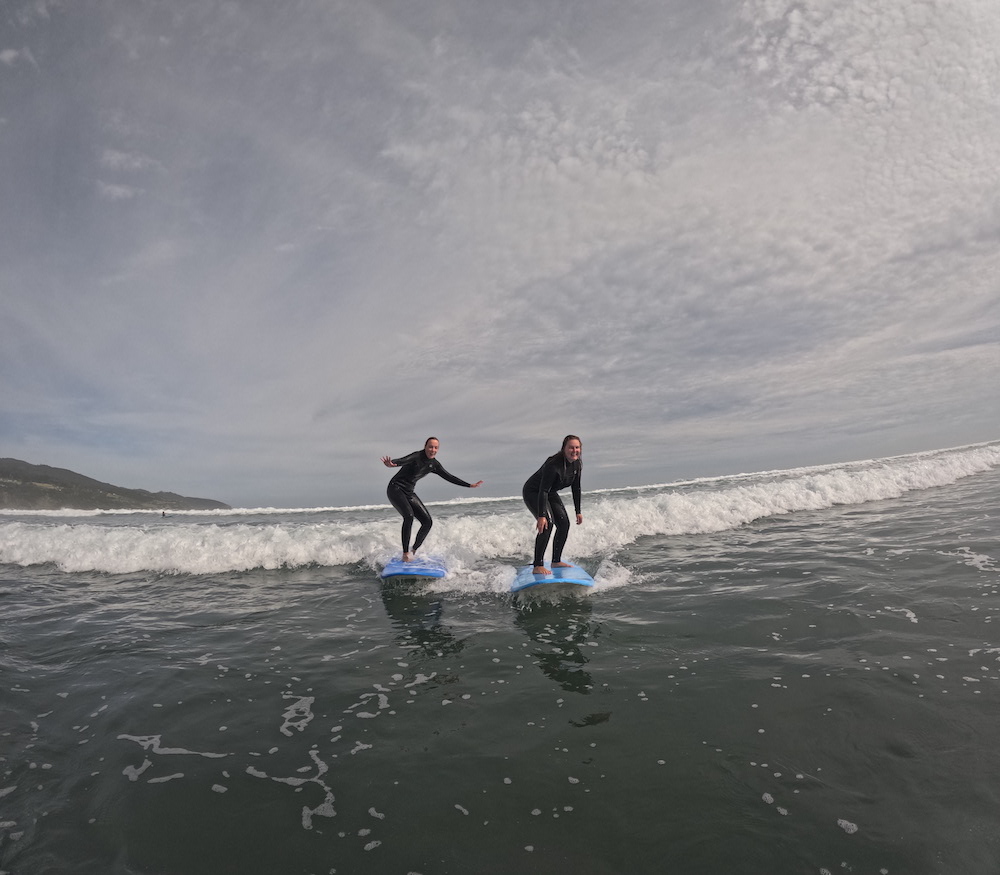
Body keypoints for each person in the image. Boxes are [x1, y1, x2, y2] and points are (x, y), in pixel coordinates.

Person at [381, 437, 483, 562]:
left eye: (436, 448)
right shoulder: (417, 456)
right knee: (409, 516)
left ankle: (413, 550)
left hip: (409, 492)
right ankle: (405, 553)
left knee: (427, 522)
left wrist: (469, 485)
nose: (433, 450)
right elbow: (403, 460)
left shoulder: (434, 465)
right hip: (395, 488)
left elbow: (449, 477)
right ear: (425, 447)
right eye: (430, 447)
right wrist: (392, 463)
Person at [522, 435, 583, 575]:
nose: (574, 450)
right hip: (534, 491)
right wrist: (541, 515)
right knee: (546, 524)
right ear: (564, 449)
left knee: (564, 524)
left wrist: (578, 511)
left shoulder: (577, 464)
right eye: (571, 447)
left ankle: (556, 561)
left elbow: (576, 488)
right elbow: (543, 490)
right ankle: (538, 565)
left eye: (577, 447)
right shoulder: (553, 464)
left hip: (550, 492)